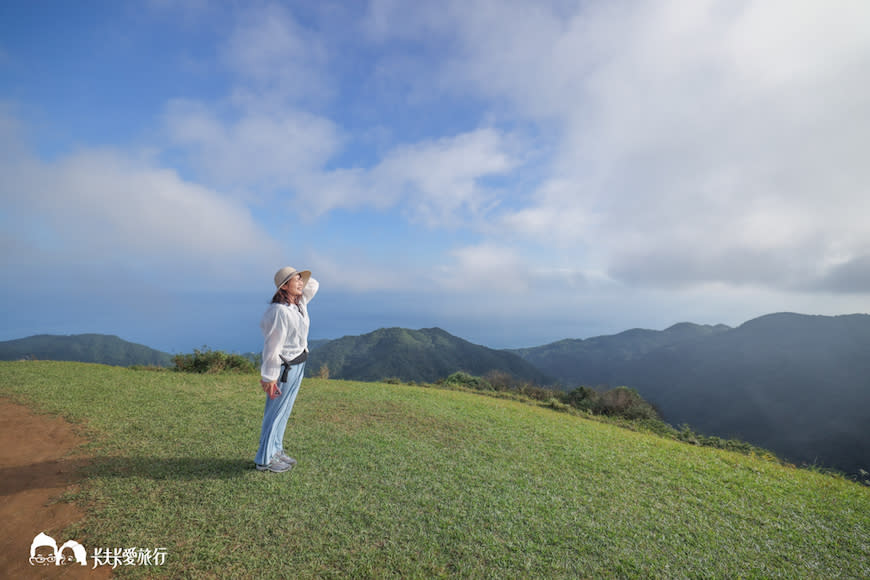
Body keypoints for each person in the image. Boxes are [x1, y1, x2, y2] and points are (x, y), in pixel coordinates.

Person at [254, 266, 319, 473]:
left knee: (284, 411)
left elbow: (314, 285)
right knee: (275, 413)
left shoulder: (299, 303)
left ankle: (276, 450)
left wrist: (298, 278)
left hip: (298, 363)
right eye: (295, 280)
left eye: (301, 279)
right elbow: (272, 348)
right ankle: (264, 460)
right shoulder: (279, 311)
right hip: (284, 369)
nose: (301, 283)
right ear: (284, 286)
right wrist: (269, 377)